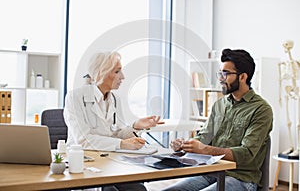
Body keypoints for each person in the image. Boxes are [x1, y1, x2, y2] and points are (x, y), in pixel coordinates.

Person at [163, 48, 273, 191]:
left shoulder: (261, 109)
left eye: (225, 73)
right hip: (210, 172)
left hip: (241, 179)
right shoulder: (219, 105)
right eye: (220, 73)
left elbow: (246, 154)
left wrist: (204, 149)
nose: (220, 78)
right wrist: (187, 145)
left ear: (242, 77)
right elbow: (204, 136)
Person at [64, 51, 163, 191]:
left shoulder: (115, 99)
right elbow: (83, 140)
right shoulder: (75, 97)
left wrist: (136, 126)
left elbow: (117, 133)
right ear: (100, 73)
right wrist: (122, 144)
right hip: (84, 162)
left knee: (138, 188)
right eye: (117, 71)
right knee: (109, 190)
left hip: (110, 160)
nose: (122, 77)